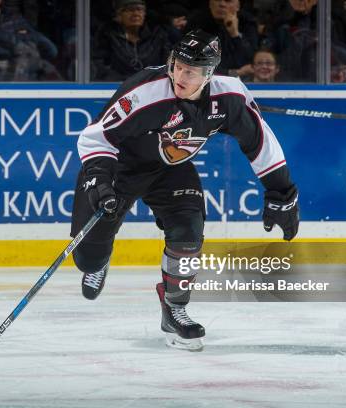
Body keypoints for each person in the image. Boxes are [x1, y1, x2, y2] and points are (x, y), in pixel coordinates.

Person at [70, 30, 300, 351]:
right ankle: (97, 262)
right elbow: (97, 137)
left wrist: (281, 193)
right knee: (88, 257)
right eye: (177, 65)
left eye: (191, 71)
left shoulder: (229, 96)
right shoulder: (145, 92)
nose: (181, 74)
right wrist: (98, 179)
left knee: (189, 234)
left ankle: (175, 307)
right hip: (119, 169)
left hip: (171, 170)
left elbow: (259, 140)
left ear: (210, 74)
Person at [91, 0, 171, 81]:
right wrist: (127, 82)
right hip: (117, 85)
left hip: (150, 84)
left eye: (139, 9)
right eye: (130, 10)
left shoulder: (157, 35)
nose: (136, 14)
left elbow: (167, 63)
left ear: (144, 14)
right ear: (118, 16)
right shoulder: (107, 35)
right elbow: (99, 65)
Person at [185, 0, 259, 76]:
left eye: (228, 1)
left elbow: (252, 59)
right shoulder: (196, 23)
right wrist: (232, 73)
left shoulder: (247, 23)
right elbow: (190, 59)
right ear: (210, 3)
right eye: (217, 0)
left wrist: (235, 34)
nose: (222, 4)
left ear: (238, 6)